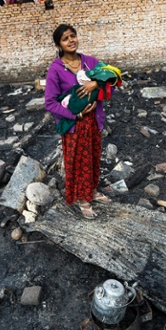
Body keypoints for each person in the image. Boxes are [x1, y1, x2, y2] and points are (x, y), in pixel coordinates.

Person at [44, 24, 114, 219]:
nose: (71, 41)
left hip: (94, 120)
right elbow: (50, 103)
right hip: (75, 124)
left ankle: (91, 191)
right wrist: (77, 115)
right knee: (78, 161)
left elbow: (113, 80)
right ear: (59, 44)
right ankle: (83, 199)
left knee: (92, 157)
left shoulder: (90, 62)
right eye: (65, 38)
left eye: (73, 36)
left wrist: (96, 84)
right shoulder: (56, 69)